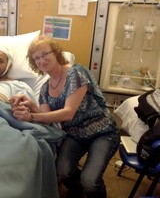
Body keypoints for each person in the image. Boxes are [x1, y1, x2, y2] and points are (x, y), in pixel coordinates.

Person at [11, 36, 120, 198]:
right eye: (37, 58)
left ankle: (95, 191)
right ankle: (76, 190)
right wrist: (30, 105)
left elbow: (68, 113)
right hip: (75, 134)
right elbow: (46, 117)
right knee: (62, 171)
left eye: (45, 54)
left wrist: (31, 116)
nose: (42, 60)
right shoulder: (45, 89)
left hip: (102, 133)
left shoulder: (76, 73)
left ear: (56, 53)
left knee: (90, 180)